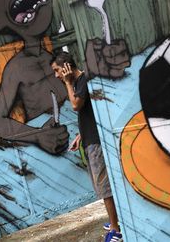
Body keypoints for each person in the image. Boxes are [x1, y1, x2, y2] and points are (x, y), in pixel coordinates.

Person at [51, 52, 122, 242]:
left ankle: (116, 230)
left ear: (66, 66)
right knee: (102, 185)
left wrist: (67, 83)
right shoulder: (80, 83)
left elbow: (76, 105)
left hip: (97, 142)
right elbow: (91, 112)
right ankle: (115, 220)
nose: (57, 75)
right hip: (89, 138)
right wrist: (81, 135)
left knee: (104, 186)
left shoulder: (82, 81)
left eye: (57, 70)